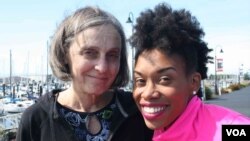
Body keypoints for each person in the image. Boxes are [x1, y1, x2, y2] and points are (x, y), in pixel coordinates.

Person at [16, 6, 152, 141]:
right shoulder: (37, 119)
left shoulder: (138, 111)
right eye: (90, 53)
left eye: (112, 55)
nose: (102, 67)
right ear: (64, 54)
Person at [130, 3, 250, 141]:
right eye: (140, 81)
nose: (147, 93)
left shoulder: (231, 128)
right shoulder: (156, 127)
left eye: (164, 79)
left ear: (194, 82)